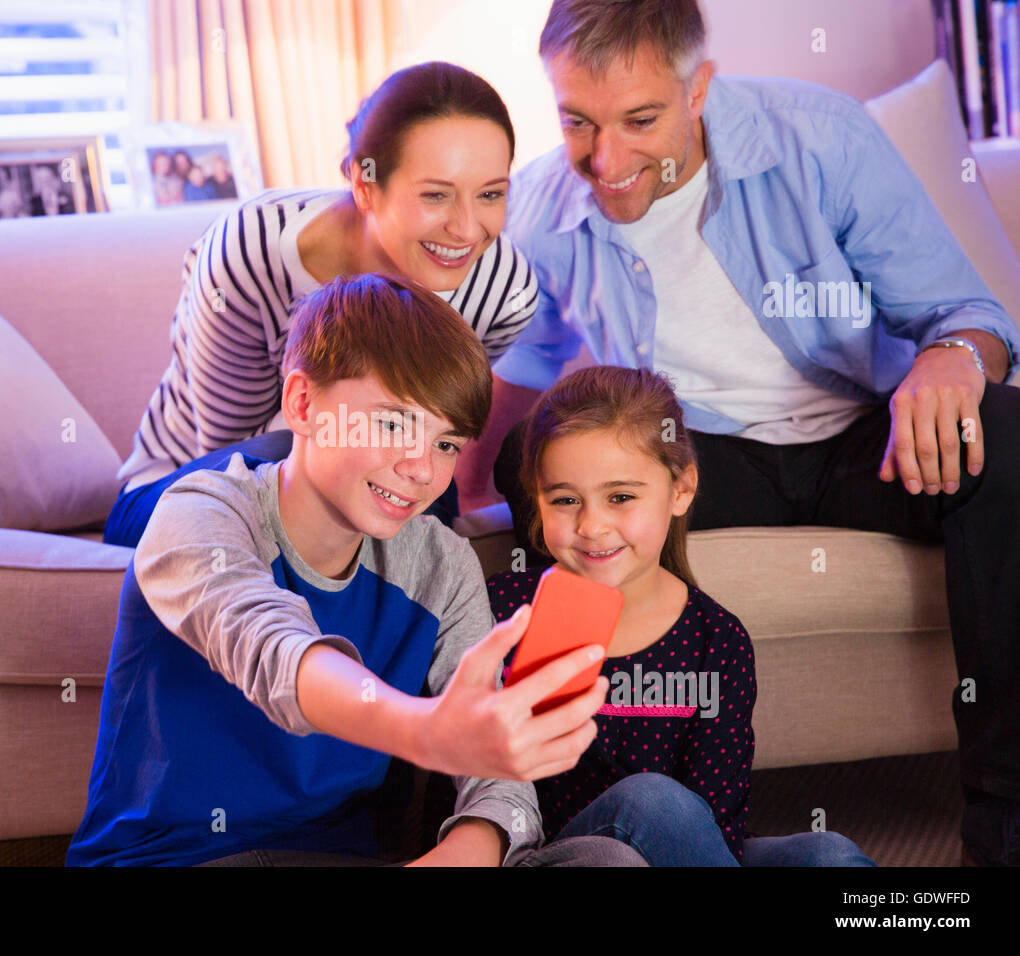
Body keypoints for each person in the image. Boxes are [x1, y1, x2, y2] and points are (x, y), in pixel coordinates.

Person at [452, 0, 1020, 866]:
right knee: (547, 463)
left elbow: (968, 315)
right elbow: (518, 375)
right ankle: (571, 811)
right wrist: (465, 499)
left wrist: (952, 356)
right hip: (694, 456)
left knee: (1008, 432)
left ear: (699, 88)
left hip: (865, 436)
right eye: (577, 121)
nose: (606, 160)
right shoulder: (542, 210)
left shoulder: (820, 137)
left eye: (639, 119)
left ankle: (1005, 822)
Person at [67, 273, 645, 868]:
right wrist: (427, 731)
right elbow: (275, 652)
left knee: (606, 860)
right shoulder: (201, 513)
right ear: (303, 404)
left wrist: (470, 842)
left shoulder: (441, 564)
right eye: (394, 423)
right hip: (180, 859)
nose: (422, 469)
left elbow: (496, 777)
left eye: (447, 444)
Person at [105, 61, 540, 546]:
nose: (465, 229)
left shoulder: (503, 292)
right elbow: (232, 459)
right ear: (365, 184)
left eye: (490, 194)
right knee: (294, 448)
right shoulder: (251, 251)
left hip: (372, 477)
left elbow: (437, 432)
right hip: (188, 493)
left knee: (431, 502)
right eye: (435, 195)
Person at [485, 365, 874, 865]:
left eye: (620, 497)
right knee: (650, 799)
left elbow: (718, 823)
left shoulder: (717, 639)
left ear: (681, 490)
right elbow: (467, 786)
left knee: (829, 853)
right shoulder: (503, 612)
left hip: (683, 853)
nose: (591, 525)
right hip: (550, 854)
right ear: (538, 501)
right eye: (565, 500)